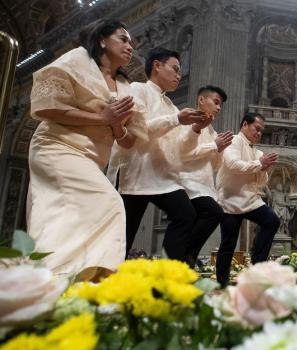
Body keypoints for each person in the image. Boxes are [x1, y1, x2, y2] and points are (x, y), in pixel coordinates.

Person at [27, 19, 147, 279]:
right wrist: (103, 119)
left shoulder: (126, 87)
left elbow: (129, 141)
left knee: (64, 217)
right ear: (102, 39)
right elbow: (46, 106)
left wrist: (116, 126)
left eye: (132, 43)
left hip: (92, 159)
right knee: (110, 203)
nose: (130, 47)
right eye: (123, 39)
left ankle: (51, 279)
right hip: (57, 147)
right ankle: (90, 278)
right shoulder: (78, 60)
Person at [107, 47, 206, 261]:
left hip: (163, 175)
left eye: (180, 71)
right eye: (175, 69)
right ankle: (106, 282)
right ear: (157, 65)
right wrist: (176, 120)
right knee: (124, 235)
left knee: (186, 215)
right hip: (135, 170)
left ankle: (166, 277)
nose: (179, 75)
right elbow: (137, 129)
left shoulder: (171, 105)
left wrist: (196, 129)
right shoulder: (137, 89)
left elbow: (182, 148)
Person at [215, 112, 280, 287]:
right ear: (245, 124)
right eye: (257, 128)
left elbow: (261, 182)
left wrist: (264, 168)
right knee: (228, 243)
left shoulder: (258, 151)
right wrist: (260, 164)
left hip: (250, 199)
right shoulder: (235, 141)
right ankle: (222, 281)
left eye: (261, 131)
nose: (259, 133)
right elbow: (233, 165)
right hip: (229, 198)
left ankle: (257, 267)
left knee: (272, 220)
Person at [177, 86, 234, 268]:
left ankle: (186, 265)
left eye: (220, 105)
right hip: (187, 183)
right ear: (201, 100)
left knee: (193, 228)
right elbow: (183, 154)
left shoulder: (213, 132)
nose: (218, 108)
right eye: (216, 102)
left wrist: (219, 149)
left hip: (205, 187)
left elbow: (215, 166)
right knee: (215, 212)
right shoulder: (185, 121)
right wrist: (213, 146)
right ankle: (182, 257)